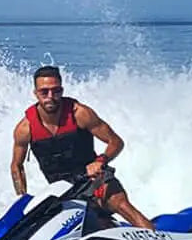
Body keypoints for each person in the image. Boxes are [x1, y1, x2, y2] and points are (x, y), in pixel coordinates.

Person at [11, 66, 155, 230]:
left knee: (117, 201)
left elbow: (115, 142)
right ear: (36, 94)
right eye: (44, 92)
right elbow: (17, 166)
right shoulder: (25, 129)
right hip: (63, 191)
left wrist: (101, 161)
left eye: (56, 91)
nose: (51, 97)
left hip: (94, 180)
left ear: (62, 90)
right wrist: (22, 198)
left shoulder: (79, 114)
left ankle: (155, 239)